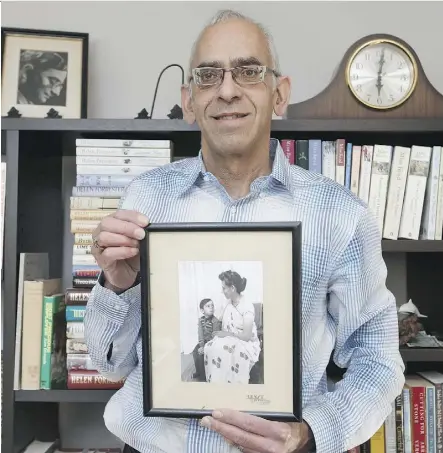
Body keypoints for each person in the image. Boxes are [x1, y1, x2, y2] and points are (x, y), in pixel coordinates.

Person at [84, 8, 405, 453]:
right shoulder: (145, 199)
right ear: (190, 100)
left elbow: (378, 361)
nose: (228, 90)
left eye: (249, 72)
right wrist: (117, 285)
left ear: (279, 94)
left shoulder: (339, 214)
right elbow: (109, 366)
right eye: (209, 76)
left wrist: (310, 434)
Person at [204, 270, 261, 384]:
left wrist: (226, 334)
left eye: (224, 288)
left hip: (245, 342)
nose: (222, 291)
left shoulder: (247, 306)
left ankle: (231, 385)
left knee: (223, 350)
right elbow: (218, 319)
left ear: (233, 288)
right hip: (230, 338)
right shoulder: (228, 303)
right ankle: (217, 382)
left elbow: (246, 336)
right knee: (209, 347)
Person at [192, 298, 221, 382]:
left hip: (212, 343)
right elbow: (200, 334)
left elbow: (215, 338)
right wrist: (201, 346)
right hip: (203, 342)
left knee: (202, 356)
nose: (211, 307)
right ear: (202, 310)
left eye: (212, 305)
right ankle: (198, 371)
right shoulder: (200, 320)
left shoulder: (215, 321)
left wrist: (205, 347)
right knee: (195, 351)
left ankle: (203, 377)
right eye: (208, 306)